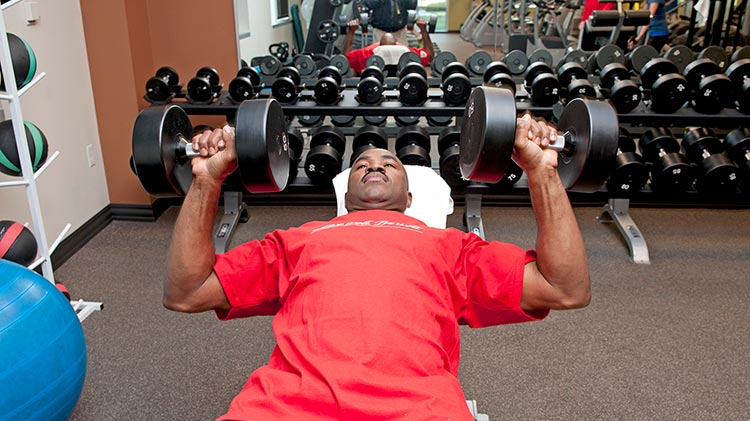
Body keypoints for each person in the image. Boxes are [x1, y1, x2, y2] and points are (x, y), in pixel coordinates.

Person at [164, 113, 591, 420]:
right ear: (346, 197)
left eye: (390, 164)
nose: (374, 164)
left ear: (409, 199)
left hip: (420, 409)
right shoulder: (298, 240)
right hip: (285, 407)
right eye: (362, 165)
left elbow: (564, 288)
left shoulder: (450, 245)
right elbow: (188, 291)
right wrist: (206, 180)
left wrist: (542, 170)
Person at [342, 17, 434, 75]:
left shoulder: (367, 53)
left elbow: (345, 59)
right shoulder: (406, 52)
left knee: (354, 71)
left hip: (374, 82)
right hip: (403, 82)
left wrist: (351, 31)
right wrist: (423, 30)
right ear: (397, 43)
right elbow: (430, 55)